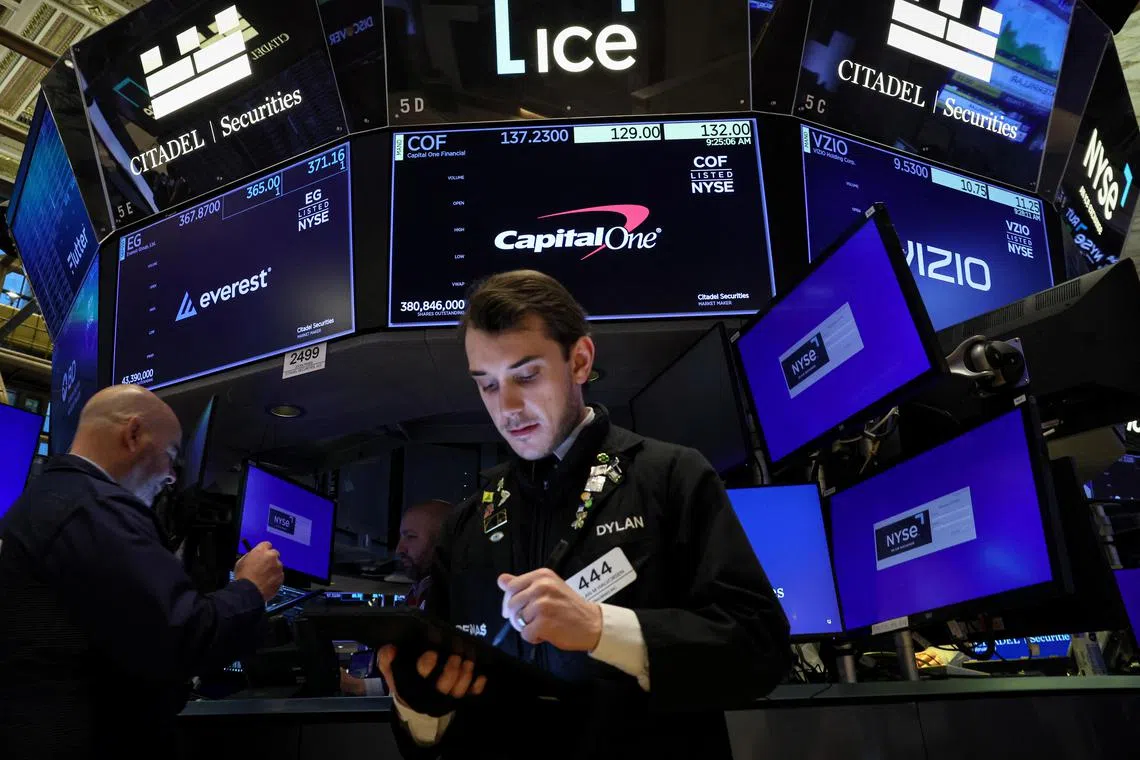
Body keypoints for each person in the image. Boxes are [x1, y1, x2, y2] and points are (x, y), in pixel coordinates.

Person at [377, 270, 790, 759]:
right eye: (487, 385)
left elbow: (760, 650)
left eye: (526, 376)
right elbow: (431, 729)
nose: (507, 407)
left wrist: (599, 628)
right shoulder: (467, 523)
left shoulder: (670, 475)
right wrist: (418, 705)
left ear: (579, 361)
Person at [0, 385, 284, 758]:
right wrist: (251, 587)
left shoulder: (50, 499)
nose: (171, 477)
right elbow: (180, 637)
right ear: (133, 434)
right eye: (170, 455)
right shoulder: (94, 509)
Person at [340, 499, 451, 696]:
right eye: (401, 537)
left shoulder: (452, 598)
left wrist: (357, 686)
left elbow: (433, 682)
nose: (400, 548)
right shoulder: (417, 593)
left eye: (410, 537)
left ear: (441, 542)